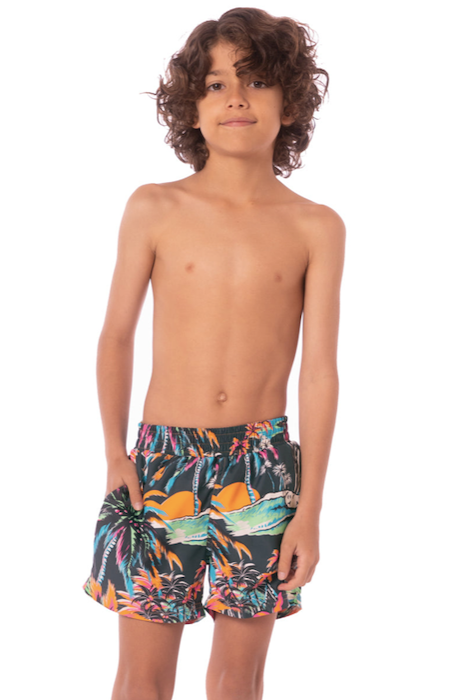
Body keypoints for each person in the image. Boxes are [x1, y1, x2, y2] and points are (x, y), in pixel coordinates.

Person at [82, 7, 345, 700]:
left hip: (262, 467)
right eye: (217, 84)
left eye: (256, 81)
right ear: (191, 109)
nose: (236, 98)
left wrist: (311, 508)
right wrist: (115, 453)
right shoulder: (155, 208)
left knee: (237, 681)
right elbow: (115, 336)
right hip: (161, 462)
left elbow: (319, 373)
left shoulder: (316, 226)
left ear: (290, 103)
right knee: (142, 679)